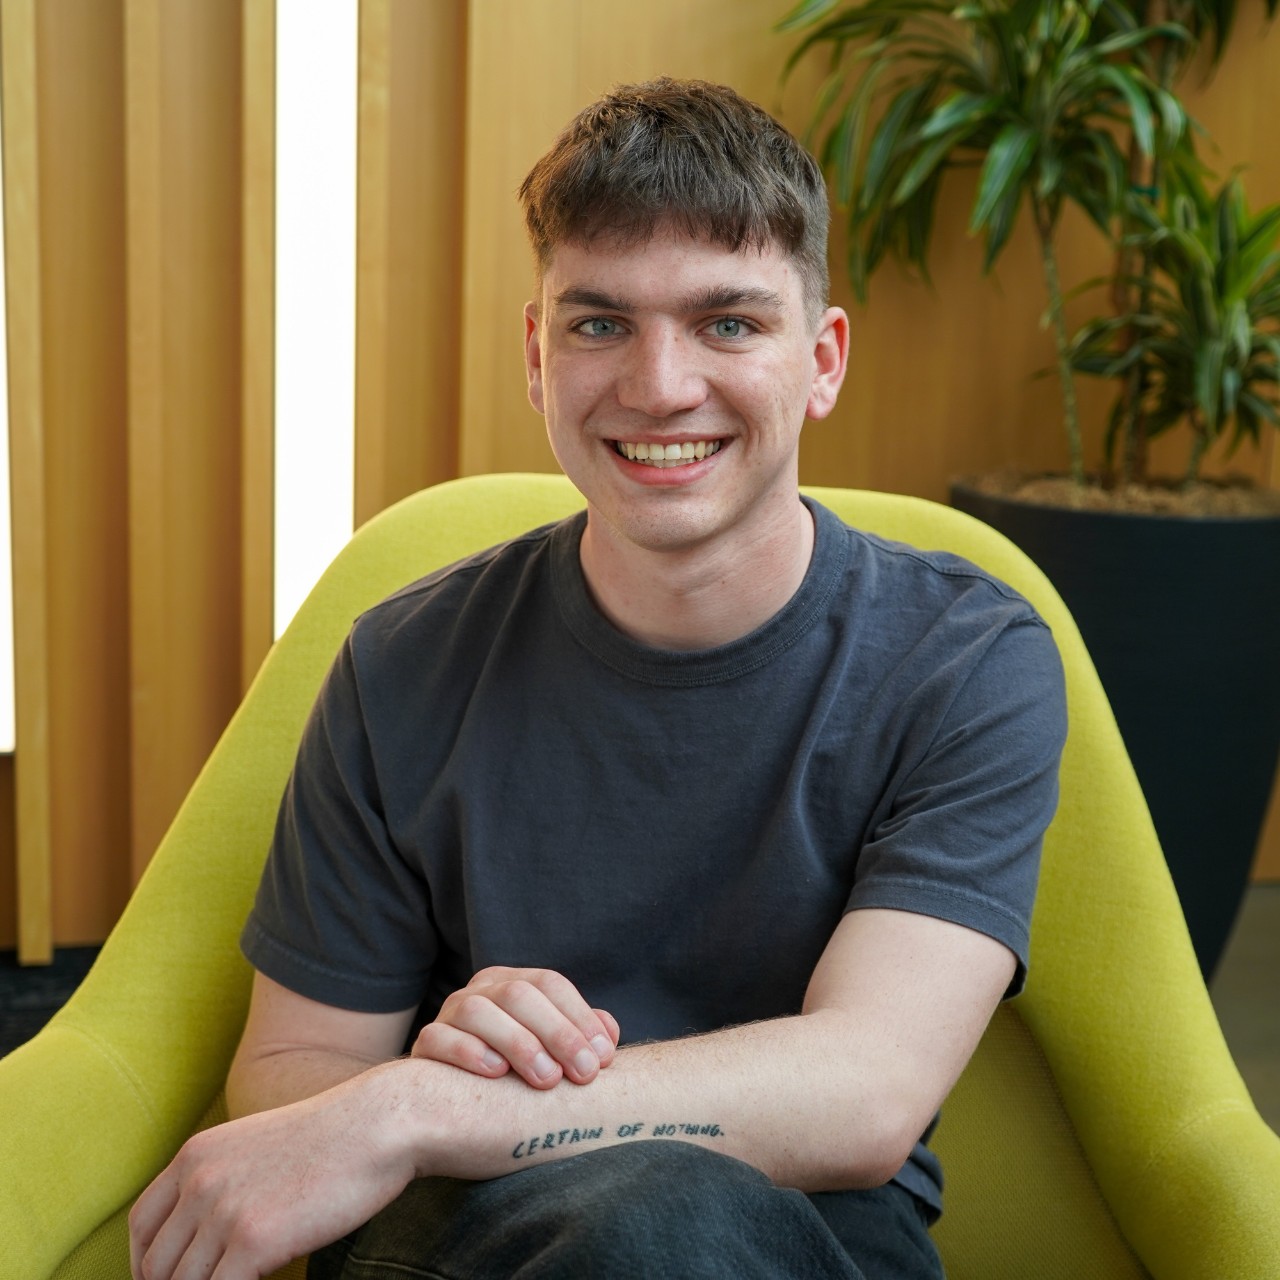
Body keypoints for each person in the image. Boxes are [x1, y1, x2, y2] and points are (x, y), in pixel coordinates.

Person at [129, 77, 1066, 1279]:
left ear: (820, 360)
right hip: (468, 1232)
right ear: (536, 355)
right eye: (598, 322)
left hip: (801, 1234)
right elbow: (290, 1070)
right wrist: (404, 1086)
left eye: (727, 323)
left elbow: (868, 1087)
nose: (658, 384)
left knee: (668, 1224)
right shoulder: (400, 662)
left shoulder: (965, 660)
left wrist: (421, 1104)